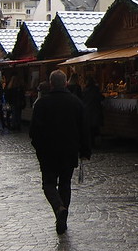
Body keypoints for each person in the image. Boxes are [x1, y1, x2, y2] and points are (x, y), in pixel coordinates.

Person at [29, 70, 92, 234]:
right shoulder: (76, 102)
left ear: (51, 83)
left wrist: (39, 148)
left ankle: (58, 208)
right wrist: (85, 150)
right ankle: (62, 216)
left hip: (48, 151)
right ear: (65, 83)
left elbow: (34, 131)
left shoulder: (42, 104)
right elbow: (84, 129)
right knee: (65, 183)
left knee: (48, 184)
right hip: (69, 150)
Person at [81, 76, 104, 146]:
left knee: (89, 128)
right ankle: (95, 143)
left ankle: (90, 143)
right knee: (95, 128)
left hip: (87, 111)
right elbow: (101, 98)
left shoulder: (85, 90)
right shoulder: (96, 89)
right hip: (95, 111)